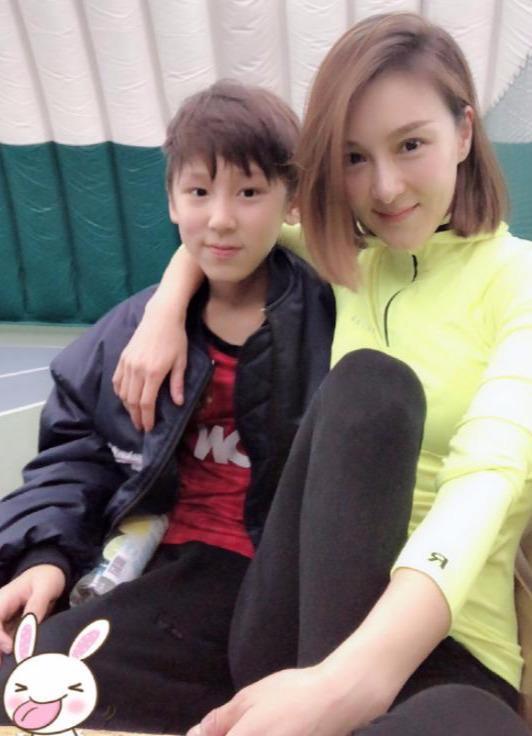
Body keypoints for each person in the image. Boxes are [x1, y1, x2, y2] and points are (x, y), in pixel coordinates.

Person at [112, 12, 532, 736]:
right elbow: (226, 231)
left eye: (411, 144)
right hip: (297, 628)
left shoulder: (518, 282)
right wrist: (164, 308)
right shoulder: (348, 262)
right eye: (354, 158)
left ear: (464, 132)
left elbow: (488, 476)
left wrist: (352, 680)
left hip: (448, 644)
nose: (385, 187)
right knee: (373, 386)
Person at [0, 80, 336, 733]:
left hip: (265, 581)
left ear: (290, 199)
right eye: (199, 192)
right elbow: (77, 457)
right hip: (152, 567)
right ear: (171, 199)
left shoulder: (330, 320)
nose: (221, 219)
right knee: (28, 669)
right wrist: (45, 555)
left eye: (249, 192)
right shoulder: (129, 336)